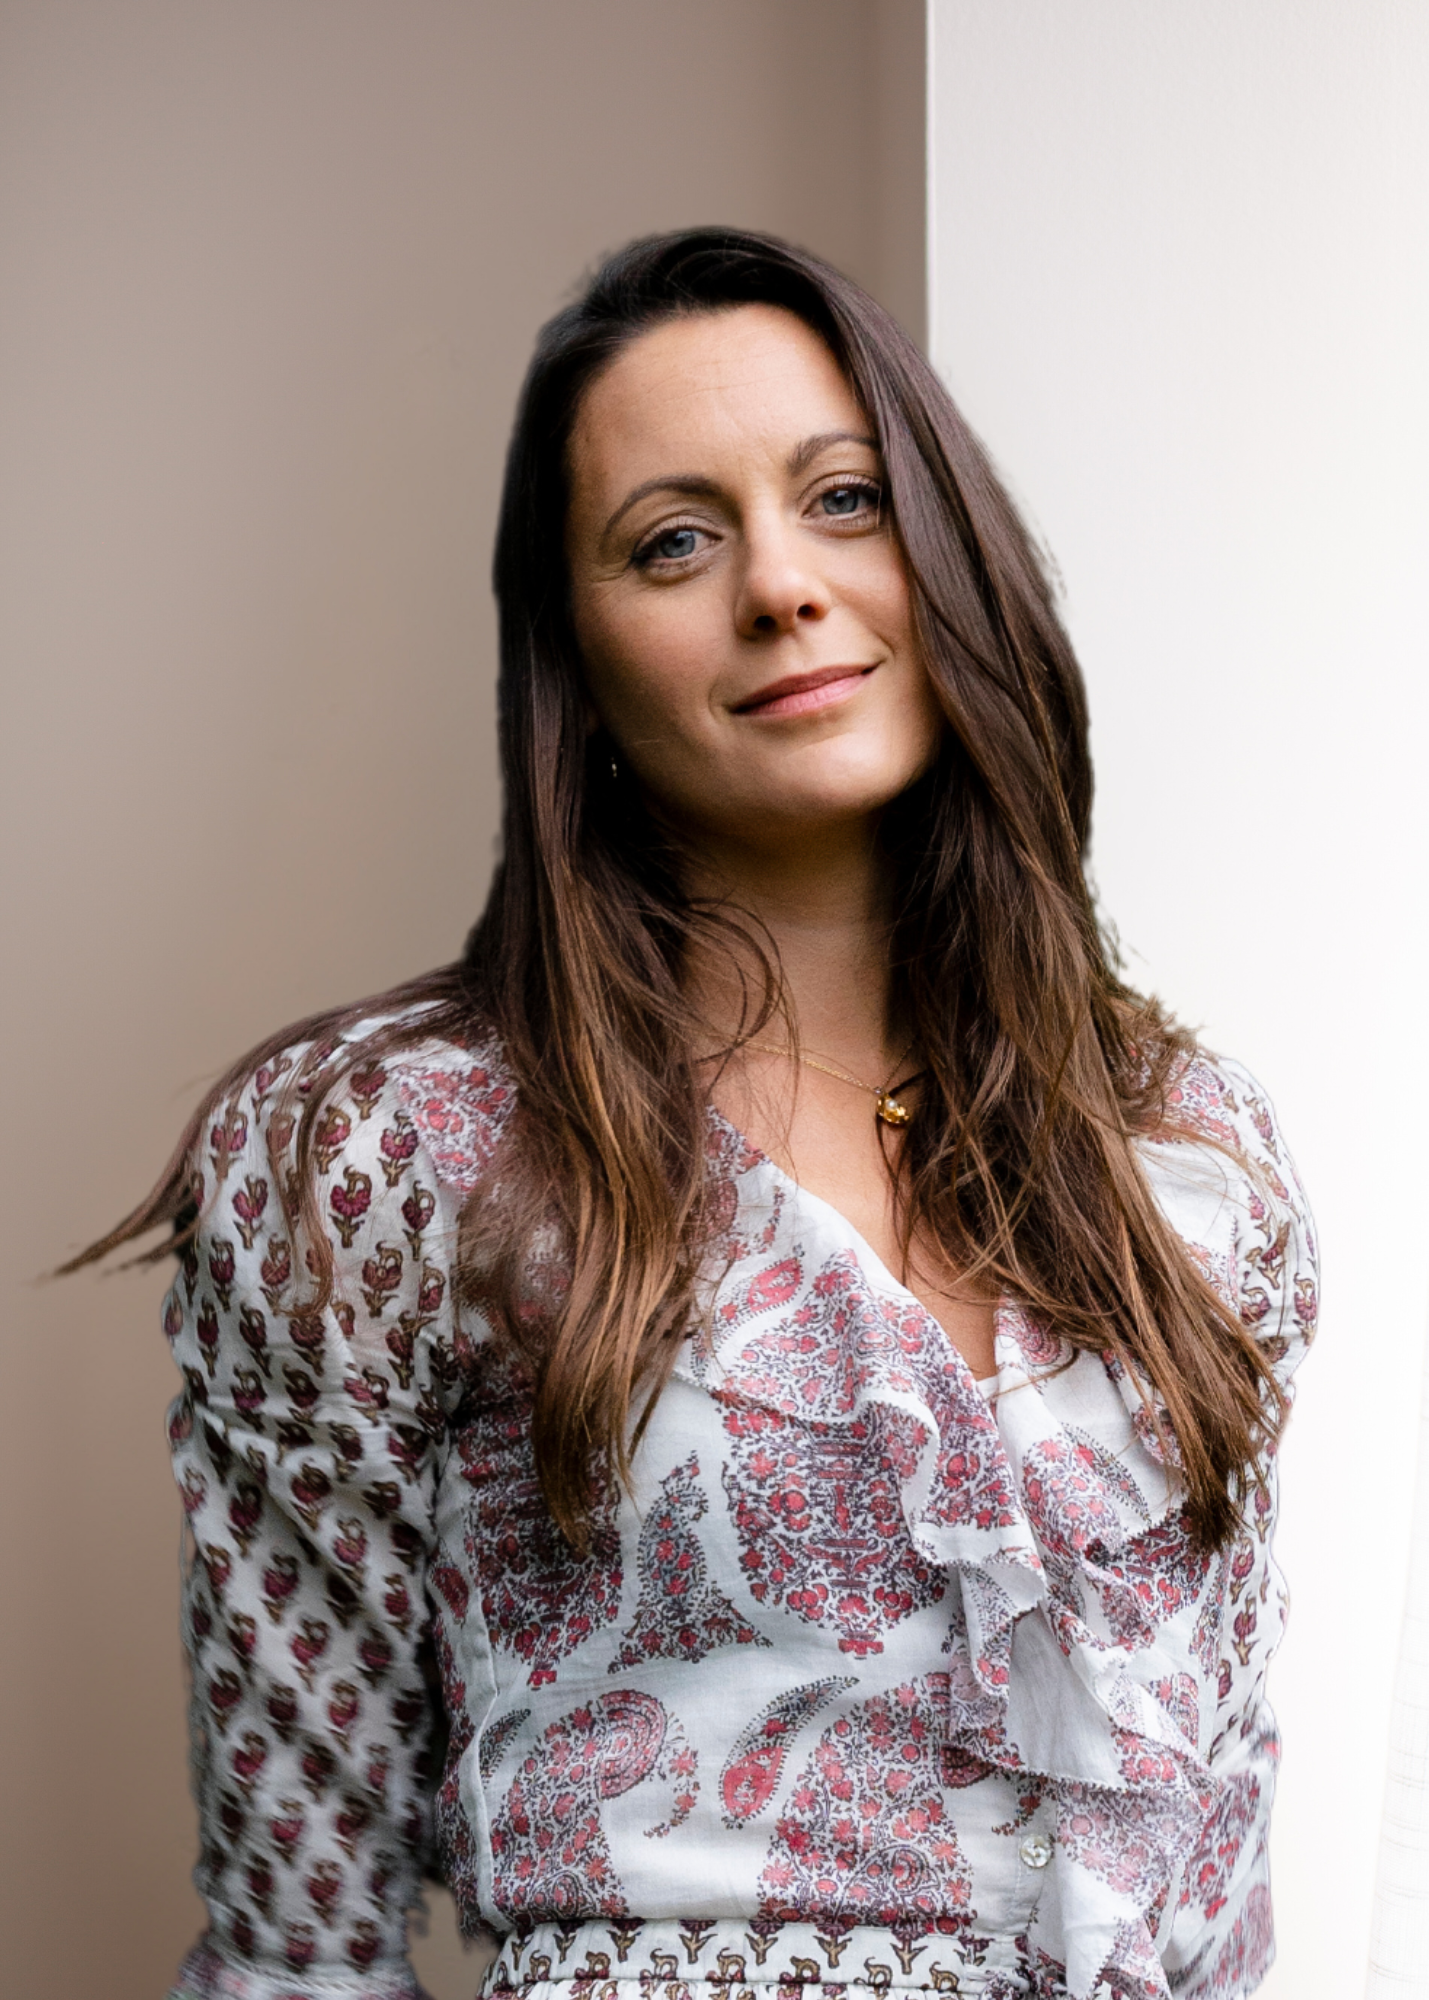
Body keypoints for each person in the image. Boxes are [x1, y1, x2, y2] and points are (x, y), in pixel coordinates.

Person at [77, 229, 1316, 2000]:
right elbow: (302, 1940)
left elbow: (1217, 1865)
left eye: (846, 499)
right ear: (573, 656)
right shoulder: (386, 1151)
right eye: (673, 539)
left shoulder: (1187, 1153)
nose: (781, 588)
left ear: (947, 552)